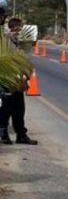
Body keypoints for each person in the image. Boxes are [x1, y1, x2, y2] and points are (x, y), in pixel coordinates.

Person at [0, 17, 37, 146]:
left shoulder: (20, 43)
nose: (19, 31)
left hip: (18, 81)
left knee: (19, 110)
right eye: (18, 29)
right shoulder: (6, 41)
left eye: (21, 29)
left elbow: (24, 61)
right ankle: (3, 134)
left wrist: (25, 79)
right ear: (13, 29)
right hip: (8, 82)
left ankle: (21, 134)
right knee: (6, 109)